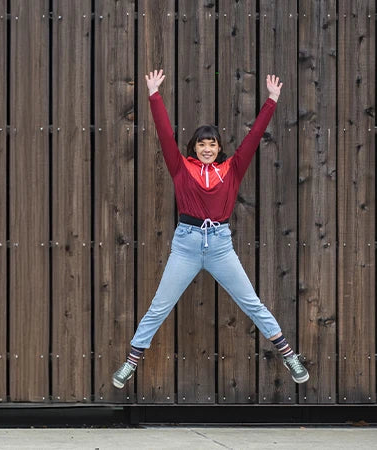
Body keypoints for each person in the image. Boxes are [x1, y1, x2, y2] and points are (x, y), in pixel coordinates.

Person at [111, 69, 306, 388]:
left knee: (251, 302)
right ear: (194, 147)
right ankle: (131, 362)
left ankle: (289, 356)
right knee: (160, 306)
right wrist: (153, 94)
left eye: (212, 144)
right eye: (201, 144)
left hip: (219, 246)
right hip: (186, 245)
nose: (206, 148)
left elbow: (253, 138)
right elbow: (164, 135)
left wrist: (271, 101)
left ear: (218, 148)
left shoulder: (232, 169)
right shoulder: (180, 167)